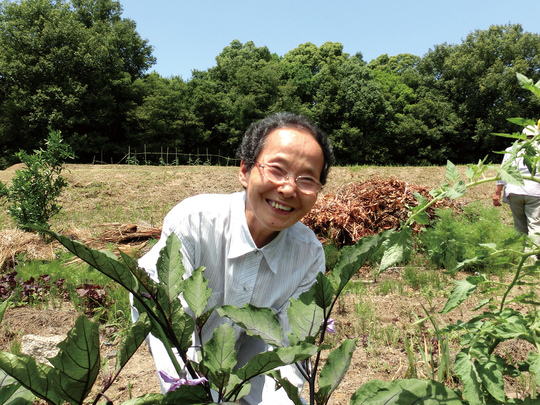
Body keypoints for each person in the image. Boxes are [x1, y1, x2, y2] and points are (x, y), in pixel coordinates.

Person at [134, 112, 335, 404]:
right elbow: (169, 321)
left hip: (254, 347)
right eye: (277, 170)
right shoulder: (193, 222)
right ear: (244, 170)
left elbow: (288, 352)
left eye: (307, 179)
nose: (289, 188)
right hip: (186, 338)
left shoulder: (309, 256)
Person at [493, 123, 540, 243]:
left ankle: (520, 255)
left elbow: (503, 172)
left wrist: (497, 193)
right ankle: (532, 258)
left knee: (519, 227)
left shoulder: (511, 150)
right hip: (535, 191)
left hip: (514, 191)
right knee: (534, 225)